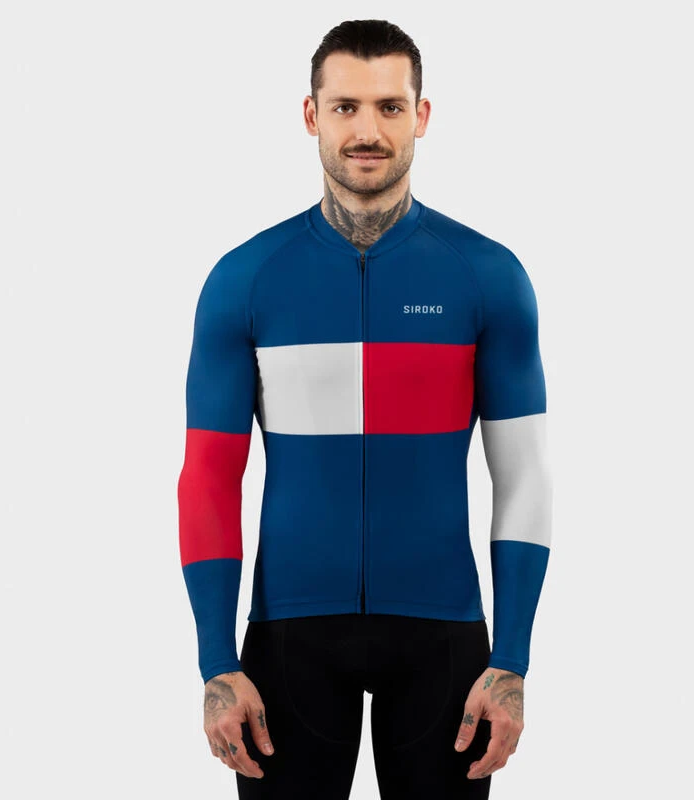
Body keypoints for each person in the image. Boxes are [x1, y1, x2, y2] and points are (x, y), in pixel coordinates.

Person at [177, 18, 553, 800]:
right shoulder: (245, 280)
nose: (367, 130)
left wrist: (512, 660)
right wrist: (216, 661)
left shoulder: (487, 277)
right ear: (311, 115)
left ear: (421, 115)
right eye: (346, 106)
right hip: (288, 642)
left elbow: (523, 475)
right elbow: (209, 475)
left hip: (444, 641)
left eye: (389, 106)